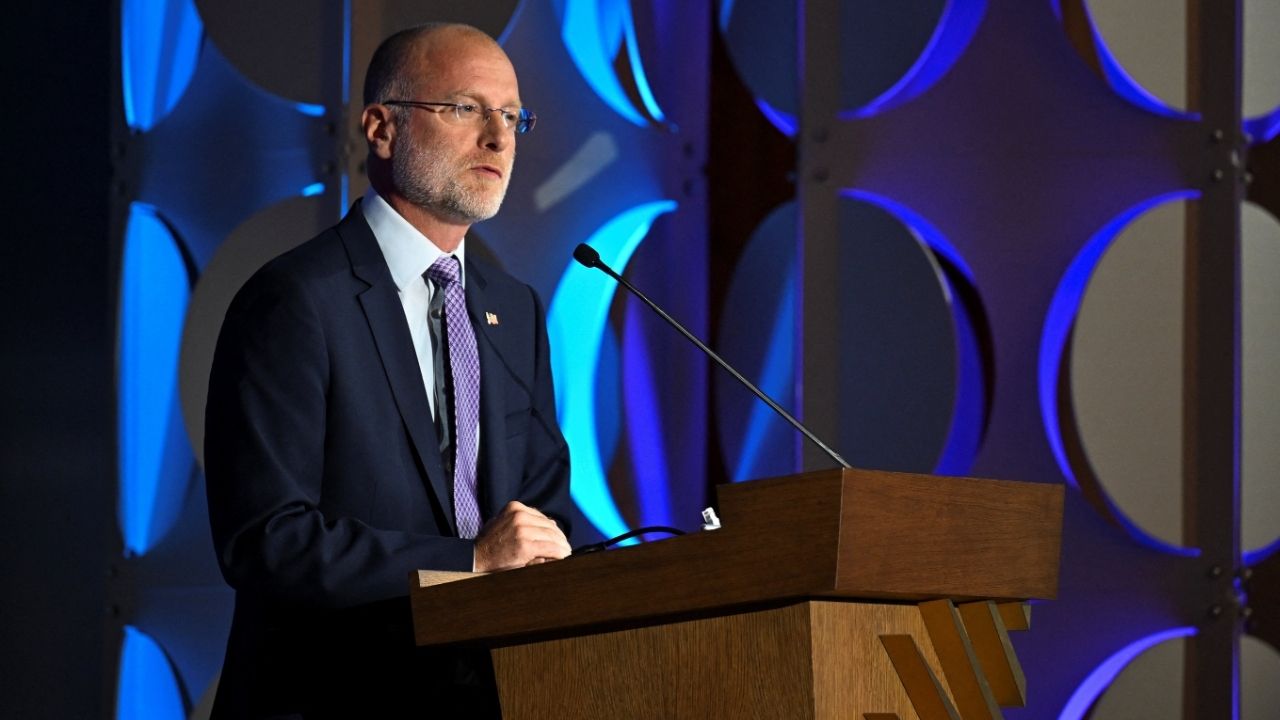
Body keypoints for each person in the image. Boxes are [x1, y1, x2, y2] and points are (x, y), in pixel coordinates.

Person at [204, 22, 573, 718]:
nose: (499, 138)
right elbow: (267, 539)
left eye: (512, 116)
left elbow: (539, 508)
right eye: (466, 109)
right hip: (333, 695)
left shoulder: (513, 310)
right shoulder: (295, 301)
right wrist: (469, 564)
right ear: (381, 128)